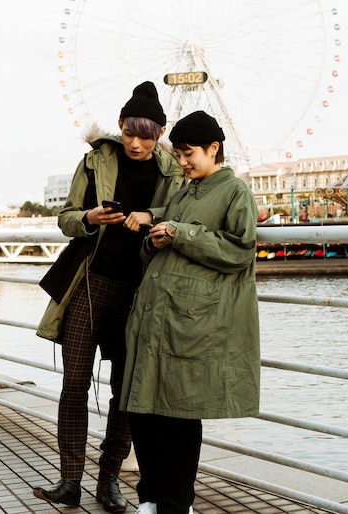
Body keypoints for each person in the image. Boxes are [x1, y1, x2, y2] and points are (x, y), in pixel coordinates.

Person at [33, 81, 185, 512]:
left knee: (126, 391)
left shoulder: (172, 170)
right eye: (130, 133)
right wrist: (90, 217)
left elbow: (178, 215)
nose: (136, 143)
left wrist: (151, 215)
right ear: (120, 126)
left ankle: (110, 481)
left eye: (147, 135)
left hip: (139, 291)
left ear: (160, 132)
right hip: (89, 282)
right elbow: (65, 219)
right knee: (74, 384)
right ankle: (70, 480)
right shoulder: (95, 160)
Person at [120, 110, 261, 514]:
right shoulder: (184, 193)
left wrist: (181, 233)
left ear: (213, 149)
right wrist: (154, 238)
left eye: (188, 154)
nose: (181, 162)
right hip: (157, 316)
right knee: (143, 410)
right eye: (178, 155)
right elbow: (163, 237)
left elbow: (240, 249)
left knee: (179, 414)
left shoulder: (234, 191)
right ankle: (149, 499)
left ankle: (175, 504)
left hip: (192, 319)